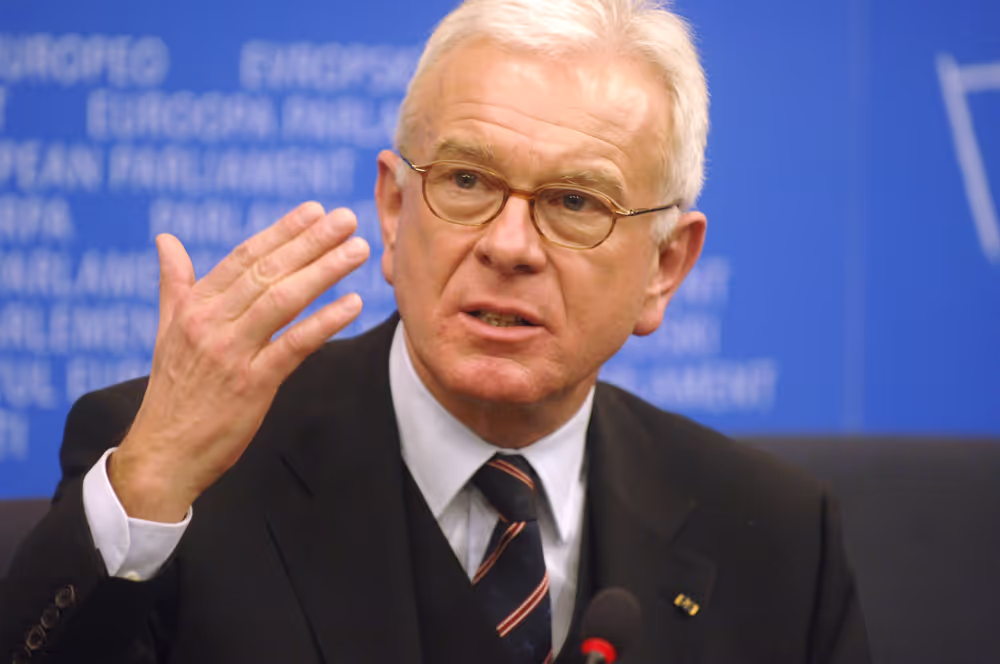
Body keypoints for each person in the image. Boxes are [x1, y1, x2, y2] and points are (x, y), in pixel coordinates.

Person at [1, 0, 870, 662]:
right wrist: (147, 489)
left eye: (575, 202)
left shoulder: (778, 535)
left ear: (665, 267)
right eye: (465, 180)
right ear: (392, 209)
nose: (507, 245)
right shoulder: (176, 472)